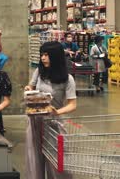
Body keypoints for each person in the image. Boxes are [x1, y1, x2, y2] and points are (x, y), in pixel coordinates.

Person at [24, 41, 77, 179]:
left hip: (54, 123)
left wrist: (57, 112)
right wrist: (29, 89)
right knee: (34, 158)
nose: (43, 58)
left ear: (56, 56)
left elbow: (72, 104)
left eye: (47, 55)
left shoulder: (68, 79)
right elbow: (31, 85)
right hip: (35, 120)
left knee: (57, 162)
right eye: (42, 54)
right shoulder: (39, 72)